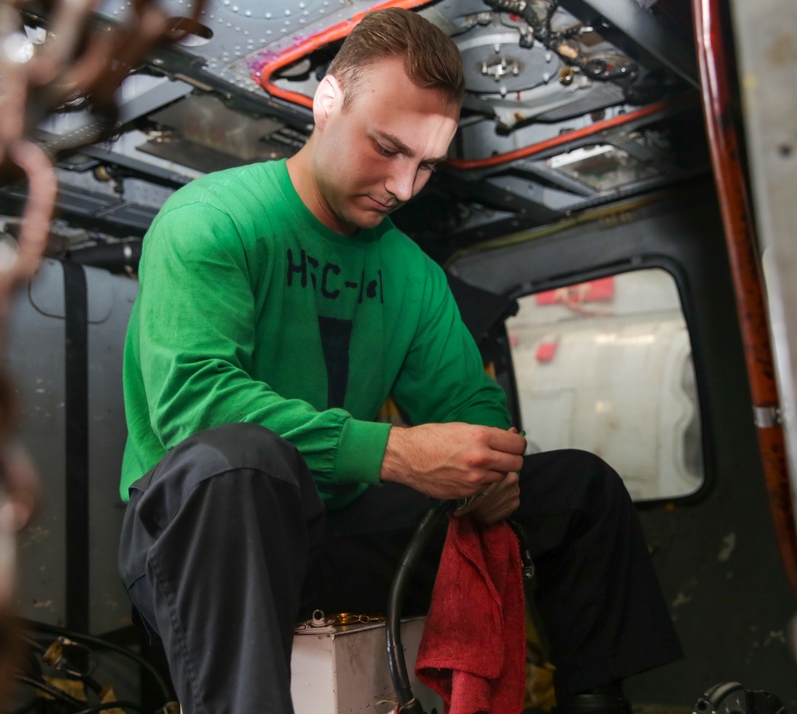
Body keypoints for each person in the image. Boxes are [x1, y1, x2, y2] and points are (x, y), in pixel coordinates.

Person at [117, 8, 682, 714]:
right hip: (201, 544)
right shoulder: (213, 220)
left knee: (578, 488)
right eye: (386, 149)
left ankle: (594, 705)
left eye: (426, 165)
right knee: (237, 460)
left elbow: (470, 408)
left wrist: (485, 470)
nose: (404, 187)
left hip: (339, 536)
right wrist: (396, 453)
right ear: (327, 104)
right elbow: (194, 410)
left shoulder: (411, 274)